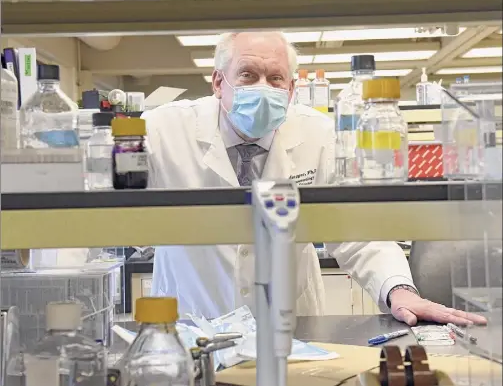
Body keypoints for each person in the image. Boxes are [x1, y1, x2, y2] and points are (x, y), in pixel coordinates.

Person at [143, 31, 486, 327]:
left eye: (275, 78)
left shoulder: (317, 134)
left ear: (291, 89)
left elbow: (356, 229)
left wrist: (398, 289)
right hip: (192, 324)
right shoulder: (163, 130)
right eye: (248, 75)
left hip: (291, 325)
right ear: (219, 82)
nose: (263, 89)